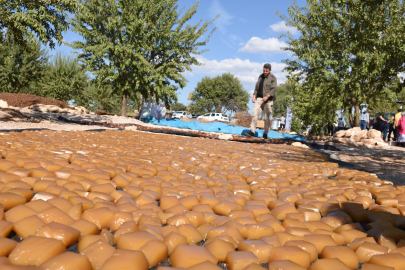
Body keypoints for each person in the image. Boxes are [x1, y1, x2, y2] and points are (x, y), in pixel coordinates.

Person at [245, 63, 277, 139]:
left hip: (268, 100)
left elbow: (273, 89)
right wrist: (254, 97)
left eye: (266, 71)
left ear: (270, 70)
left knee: (266, 118)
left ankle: (265, 133)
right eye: (264, 70)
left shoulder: (273, 78)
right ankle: (252, 131)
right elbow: (256, 88)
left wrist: (267, 96)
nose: (265, 72)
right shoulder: (260, 77)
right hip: (259, 98)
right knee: (255, 114)